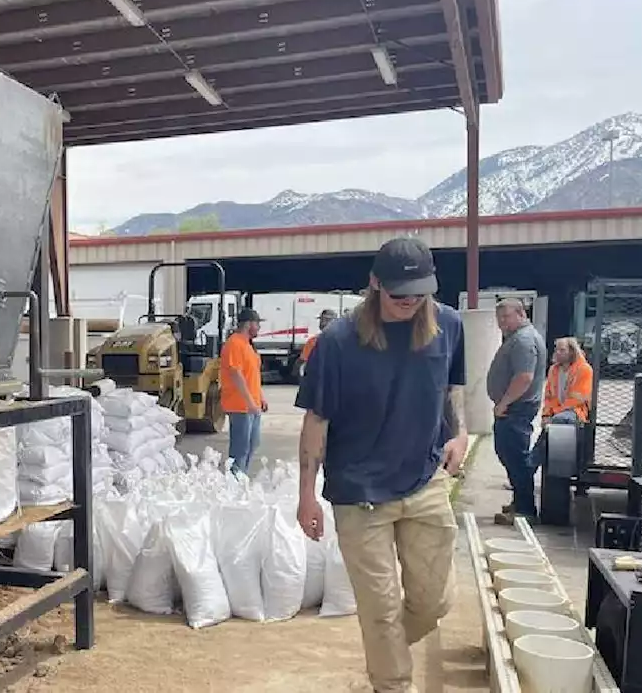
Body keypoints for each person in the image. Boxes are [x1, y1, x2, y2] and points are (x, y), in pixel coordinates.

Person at [295, 237, 467, 693]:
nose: (408, 302)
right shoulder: (336, 343)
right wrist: (306, 495)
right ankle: (391, 683)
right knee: (381, 608)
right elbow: (316, 421)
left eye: (417, 293)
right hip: (359, 494)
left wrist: (461, 432)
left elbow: (453, 388)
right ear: (374, 284)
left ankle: (383, 649)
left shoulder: (448, 325)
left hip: (425, 482)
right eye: (398, 294)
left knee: (434, 603)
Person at [486, 299, 547, 526]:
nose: (501, 323)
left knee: (516, 458)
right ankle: (519, 502)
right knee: (510, 455)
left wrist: (504, 403)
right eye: (499, 318)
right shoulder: (520, 337)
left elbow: (524, 377)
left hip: (516, 408)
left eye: (506, 317)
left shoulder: (523, 340)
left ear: (521, 314)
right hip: (514, 408)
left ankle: (525, 509)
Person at [220, 308, 268, 474]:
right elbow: (236, 375)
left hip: (252, 405)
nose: (259, 328)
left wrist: (260, 397)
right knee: (240, 449)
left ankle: (242, 479)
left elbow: (252, 375)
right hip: (240, 405)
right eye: (257, 324)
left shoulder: (248, 345)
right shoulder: (234, 343)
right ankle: (235, 482)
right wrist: (249, 402)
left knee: (252, 445)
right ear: (249, 324)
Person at [541, 336, 592, 425]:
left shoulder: (584, 369)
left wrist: (556, 411)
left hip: (575, 411)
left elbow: (578, 400)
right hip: (555, 411)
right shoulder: (553, 370)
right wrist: (546, 415)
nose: (557, 352)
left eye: (562, 350)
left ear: (572, 352)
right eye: (556, 350)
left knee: (560, 420)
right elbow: (548, 397)